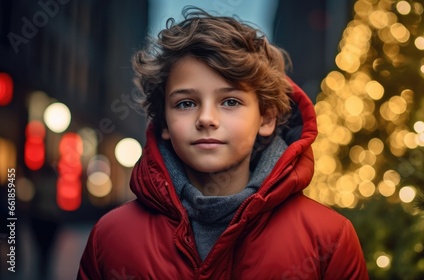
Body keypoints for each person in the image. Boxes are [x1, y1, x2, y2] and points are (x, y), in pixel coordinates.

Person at [78, 6, 368, 280]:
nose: (206, 118)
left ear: (266, 118)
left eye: (230, 101)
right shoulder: (111, 237)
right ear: (163, 122)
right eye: (186, 103)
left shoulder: (329, 239)